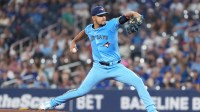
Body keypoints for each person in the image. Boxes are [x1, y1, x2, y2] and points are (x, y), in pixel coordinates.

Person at [39, 6, 158, 112]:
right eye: (100, 16)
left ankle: (151, 109)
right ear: (93, 18)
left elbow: (125, 16)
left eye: (104, 15)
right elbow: (84, 33)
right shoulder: (90, 29)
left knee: (138, 82)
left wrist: (134, 14)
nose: (103, 18)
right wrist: (74, 41)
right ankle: (51, 103)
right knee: (81, 92)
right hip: (99, 68)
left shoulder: (112, 24)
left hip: (116, 67)